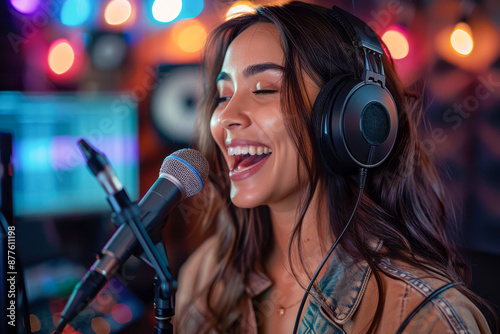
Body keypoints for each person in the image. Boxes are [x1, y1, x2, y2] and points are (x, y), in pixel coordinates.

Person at [174, 1, 493, 333]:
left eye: (264, 89)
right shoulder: (206, 275)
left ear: (352, 119)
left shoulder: (424, 318)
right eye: (224, 96)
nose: (224, 117)